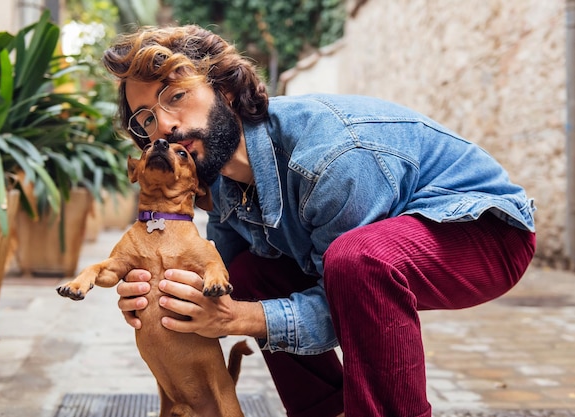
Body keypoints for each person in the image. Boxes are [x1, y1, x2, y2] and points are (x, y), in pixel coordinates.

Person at [102, 25, 536, 417]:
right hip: (382, 248)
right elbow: (223, 291)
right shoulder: (223, 187)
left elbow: (344, 298)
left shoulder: (329, 157)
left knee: (356, 260)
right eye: (146, 119)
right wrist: (159, 303)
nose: (163, 126)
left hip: (483, 231)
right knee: (252, 272)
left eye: (175, 96)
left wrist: (241, 319)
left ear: (226, 91)